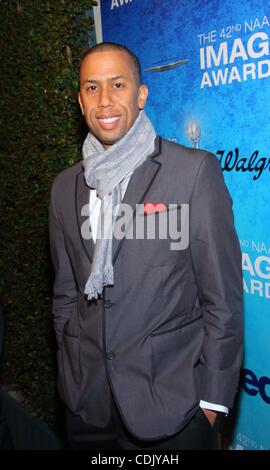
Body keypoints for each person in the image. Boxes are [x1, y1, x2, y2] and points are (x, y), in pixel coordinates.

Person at [49, 42, 243, 450]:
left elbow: (221, 301)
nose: (105, 100)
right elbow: (66, 292)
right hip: (87, 407)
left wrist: (210, 404)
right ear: (80, 100)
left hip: (172, 412)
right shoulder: (65, 187)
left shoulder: (191, 173)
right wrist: (71, 372)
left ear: (140, 96)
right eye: (91, 87)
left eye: (118, 84)